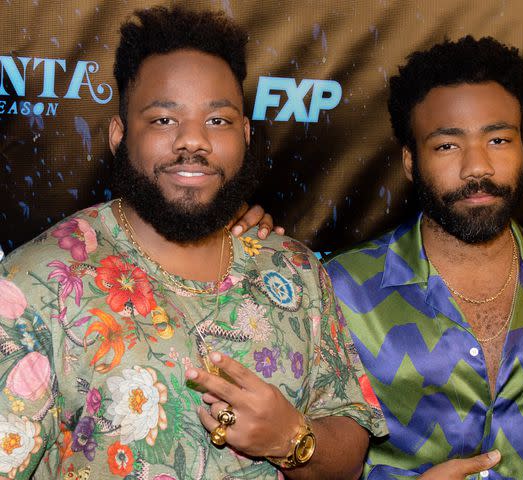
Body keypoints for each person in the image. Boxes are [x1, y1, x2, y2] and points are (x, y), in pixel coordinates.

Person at [0, 6, 385, 480]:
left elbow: (348, 462)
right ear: (119, 137)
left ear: (245, 135)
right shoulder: (33, 287)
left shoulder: (295, 272)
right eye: (164, 120)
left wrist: (291, 439)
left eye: (218, 121)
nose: (193, 142)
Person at [322, 36, 523, 479]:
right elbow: (313, 460)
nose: (478, 167)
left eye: (498, 139)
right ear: (411, 161)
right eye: (447, 145)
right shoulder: (342, 287)